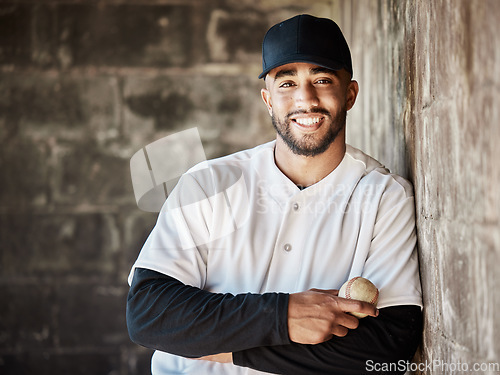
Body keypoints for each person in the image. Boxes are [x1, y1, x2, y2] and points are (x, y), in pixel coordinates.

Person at [127, 14, 423, 375]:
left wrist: (221, 348)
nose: (306, 98)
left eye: (322, 79)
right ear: (268, 99)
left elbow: (387, 346)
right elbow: (148, 313)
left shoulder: (384, 198)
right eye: (287, 83)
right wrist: (282, 316)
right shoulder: (208, 184)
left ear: (350, 94)